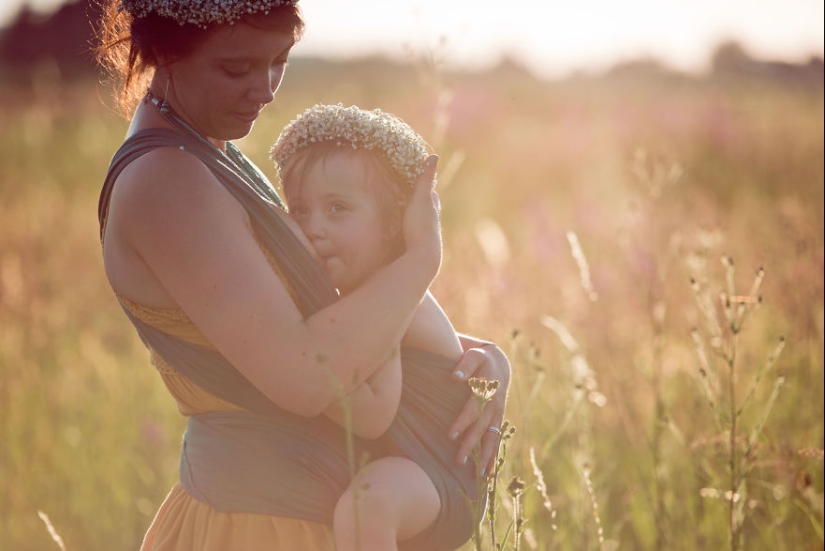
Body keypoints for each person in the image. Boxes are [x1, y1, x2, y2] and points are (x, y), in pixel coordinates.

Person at [93, 0, 511, 549]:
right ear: (165, 52)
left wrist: (474, 362)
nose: (265, 90)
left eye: (279, 62)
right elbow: (311, 376)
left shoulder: (209, 154)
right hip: (260, 525)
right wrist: (418, 262)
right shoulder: (167, 179)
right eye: (237, 68)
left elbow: (297, 322)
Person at [271, 103, 491, 551]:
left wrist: (279, 370)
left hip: (436, 471)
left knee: (365, 508)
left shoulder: (391, 296)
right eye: (300, 211)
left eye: (337, 209)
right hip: (406, 465)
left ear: (392, 225)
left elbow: (372, 413)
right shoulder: (361, 294)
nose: (314, 228)